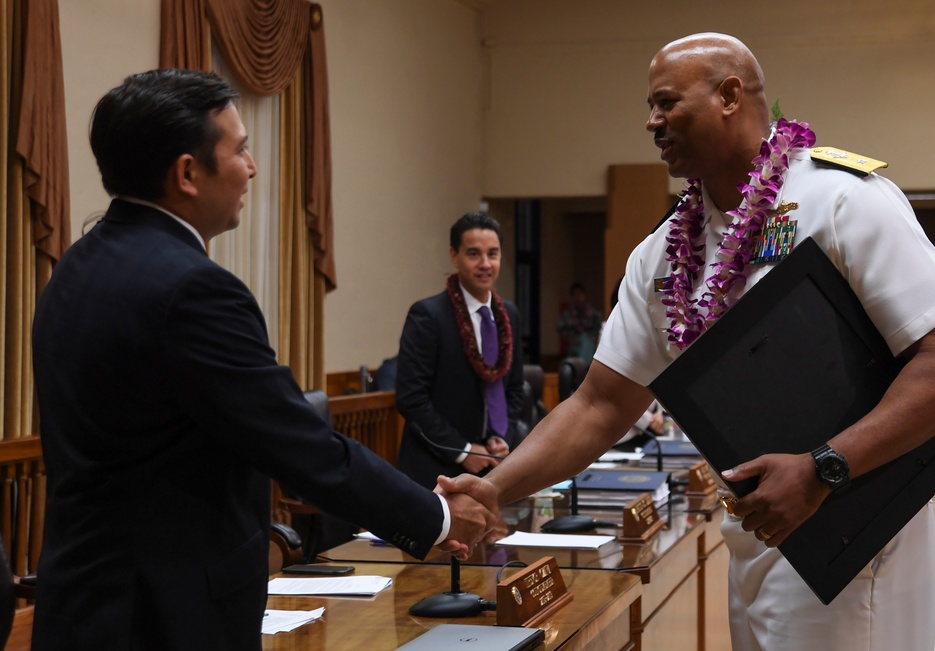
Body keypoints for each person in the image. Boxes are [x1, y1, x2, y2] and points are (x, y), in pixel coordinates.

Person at [439, 33, 935, 651]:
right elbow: (598, 404)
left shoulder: (843, 201)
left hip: (852, 534)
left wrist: (822, 468)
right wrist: (494, 487)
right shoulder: (663, 253)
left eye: (666, 102)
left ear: (729, 95)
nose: (651, 121)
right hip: (753, 539)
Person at [30, 69, 494, 651]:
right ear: (187, 173)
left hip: (79, 605)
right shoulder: (194, 289)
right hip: (165, 615)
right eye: (240, 149)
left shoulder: (74, 268)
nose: (251, 168)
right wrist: (437, 518)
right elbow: (300, 444)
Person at [395, 212, 524, 489]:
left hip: (491, 468)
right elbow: (411, 398)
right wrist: (463, 450)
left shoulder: (509, 314)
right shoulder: (428, 315)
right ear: (454, 256)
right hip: (435, 470)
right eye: (474, 254)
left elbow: (513, 389)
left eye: (493, 254)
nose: (485, 264)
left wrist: (504, 437)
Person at [556, 282, 602, 365]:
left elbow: (599, 332)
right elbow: (560, 330)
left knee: (587, 343)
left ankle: (584, 367)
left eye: (580, 294)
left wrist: (589, 340)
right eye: (574, 295)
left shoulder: (594, 314)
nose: (578, 297)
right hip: (574, 345)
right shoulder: (568, 314)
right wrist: (571, 340)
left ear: (585, 295)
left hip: (590, 345)